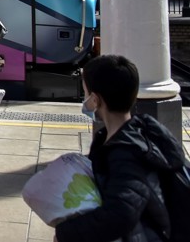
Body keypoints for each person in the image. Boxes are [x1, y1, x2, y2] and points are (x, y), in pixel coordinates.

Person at [54, 55, 183, 242]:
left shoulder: (126, 152)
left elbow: (122, 214)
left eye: (85, 93)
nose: (84, 100)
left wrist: (65, 233)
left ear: (95, 100)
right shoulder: (138, 131)